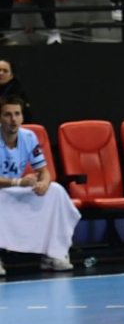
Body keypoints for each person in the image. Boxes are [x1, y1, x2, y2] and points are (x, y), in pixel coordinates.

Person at [0, 96, 80, 276]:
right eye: (7, 115)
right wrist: (18, 182)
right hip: (3, 189)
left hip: (14, 189)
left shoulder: (29, 136)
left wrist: (44, 183)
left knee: (56, 191)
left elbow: (44, 171)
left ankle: (54, 254)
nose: (13, 119)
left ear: (22, 117)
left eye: (17, 114)